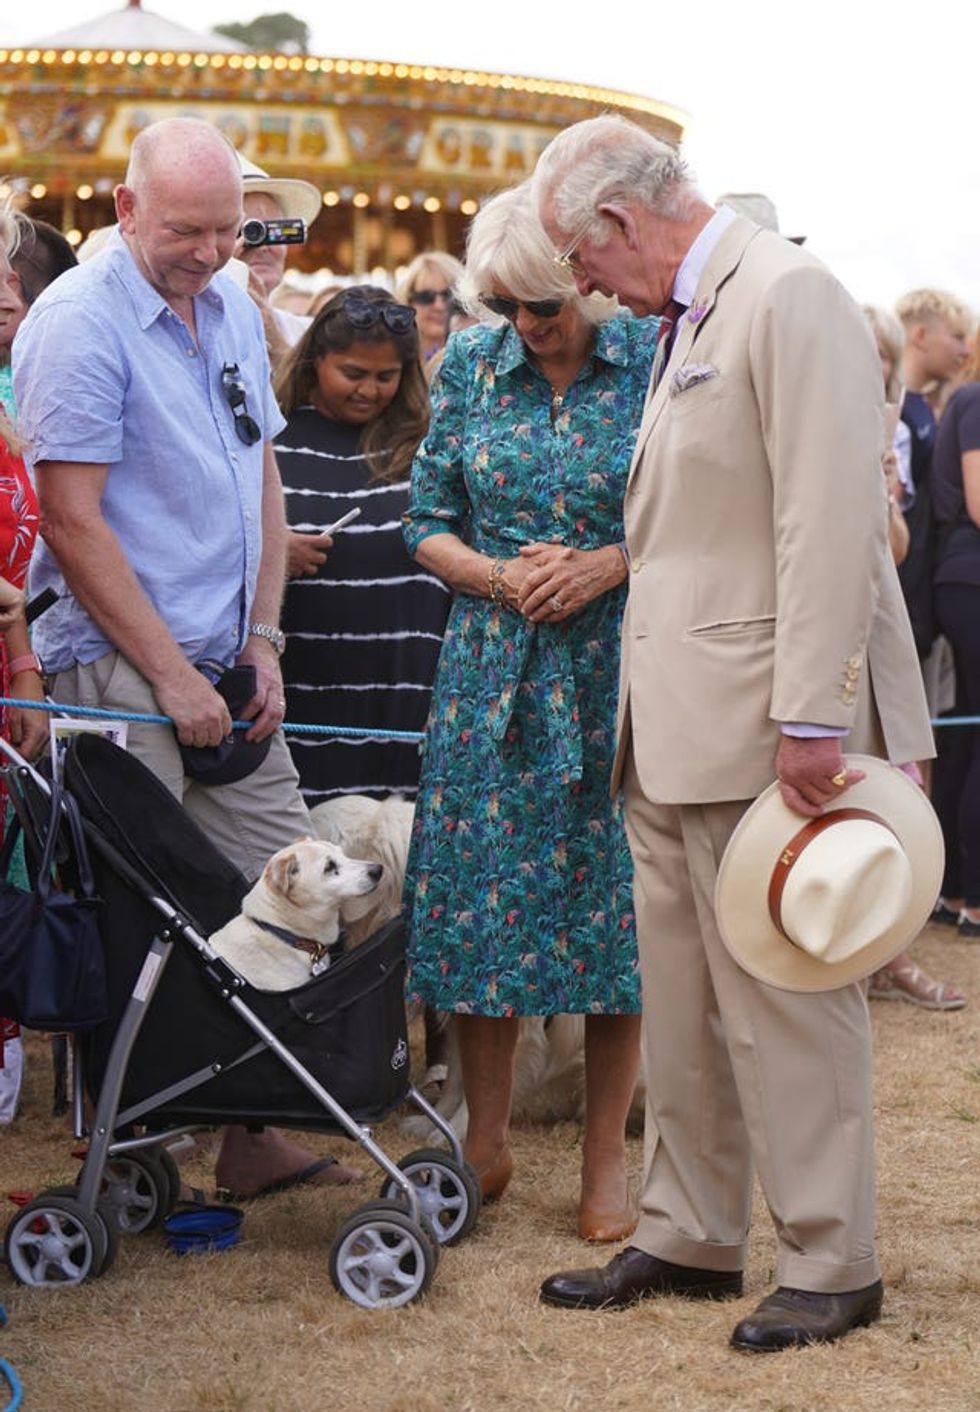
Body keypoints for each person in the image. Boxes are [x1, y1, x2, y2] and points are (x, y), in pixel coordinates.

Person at [531, 115, 934, 1350]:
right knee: (684, 1000)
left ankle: (829, 1256)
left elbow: (830, 519)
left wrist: (817, 713)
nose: (580, 287)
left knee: (787, 997)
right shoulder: (692, 315)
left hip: (764, 727)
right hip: (666, 728)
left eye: (577, 258)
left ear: (616, 219)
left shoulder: (787, 292)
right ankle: (689, 1229)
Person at [14, 116, 360, 1198]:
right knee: (145, 913)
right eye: (187, 230)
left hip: (224, 662)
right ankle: (127, 1147)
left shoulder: (229, 311)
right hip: (119, 674)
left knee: (297, 881)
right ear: (124, 211)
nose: (212, 251)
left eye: (229, 229)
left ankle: (252, 1128)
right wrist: (167, 673)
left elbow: (259, 474)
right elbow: (71, 520)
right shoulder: (76, 322)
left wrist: (261, 639)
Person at [402, 181, 657, 1241]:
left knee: (616, 921)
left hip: (618, 669)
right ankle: (485, 1141)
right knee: (478, 915)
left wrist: (606, 563)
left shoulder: (646, 359)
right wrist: (497, 577)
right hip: (489, 674)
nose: (526, 326)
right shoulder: (468, 364)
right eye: (503, 306)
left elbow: (699, 516)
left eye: (542, 305)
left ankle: (605, 1167)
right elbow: (425, 518)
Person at [273, 285, 447, 805]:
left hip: (405, 694)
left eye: (386, 376)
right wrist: (271, 553)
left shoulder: (427, 444)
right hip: (305, 693)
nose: (369, 390)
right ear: (313, 362)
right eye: (352, 373)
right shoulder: (271, 442)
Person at [861, 307, 965, 1008]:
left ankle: (890, 952)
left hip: (879, 619)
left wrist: (883, 489)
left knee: (902, 781)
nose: (873, 369)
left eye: (880, 358)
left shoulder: (889, 430)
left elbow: (893, 548)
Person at [931, 340, 980, 939]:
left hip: (960, 580)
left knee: (967, 732)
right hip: (969, 577)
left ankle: (955, 890)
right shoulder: (976, 398)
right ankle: (969, 895)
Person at [235, 154, 321, 371]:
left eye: (274, 232)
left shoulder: (306, 333)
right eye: (248, 232)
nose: (264, 246)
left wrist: (277, 344)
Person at [396, 251, 464, 367]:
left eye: (449, 295)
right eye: (425, 297)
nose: (439, 306)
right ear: (408, 303)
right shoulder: (395, 363)